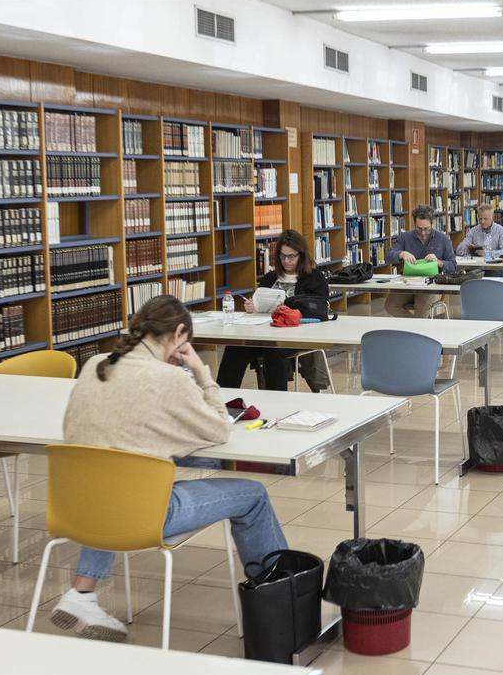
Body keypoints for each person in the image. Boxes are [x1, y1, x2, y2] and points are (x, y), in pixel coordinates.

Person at [52, 295, 288, 642]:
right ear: (179, 333)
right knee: (253, 495)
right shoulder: (169, 379)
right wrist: (200, 371)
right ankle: (280, 599)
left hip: (79, 505)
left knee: (111, 477)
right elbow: (219, 428)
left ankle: (82, 593)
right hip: (140, 514)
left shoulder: (96, 363)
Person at [216, 229, 329, 392]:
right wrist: (252, 307)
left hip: (296, 334)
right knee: (235, 347)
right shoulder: (270, 277)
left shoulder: (314, 278)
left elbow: (319, 309)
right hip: (266, 332)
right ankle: (222, 399)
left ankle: (277, 399)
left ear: (301, 255)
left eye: (292, 256)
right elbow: (261, 301)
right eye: (283, 256)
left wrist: (288, 310)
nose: (287, 261)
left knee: (273, 350)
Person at [386, 205, 456, 317]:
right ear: (414, 224)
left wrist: (438, 262)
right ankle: (415, 328)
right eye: (419, 229)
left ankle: (417, 329)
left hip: (432, 286)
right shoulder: (405, 237)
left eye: (427, 229)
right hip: (408, 284)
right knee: (390, 305)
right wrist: (401, 253)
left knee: (422, 307)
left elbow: (453, 265)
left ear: (432, 224)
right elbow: (388, 255)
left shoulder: (443, 239)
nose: (423, 233)